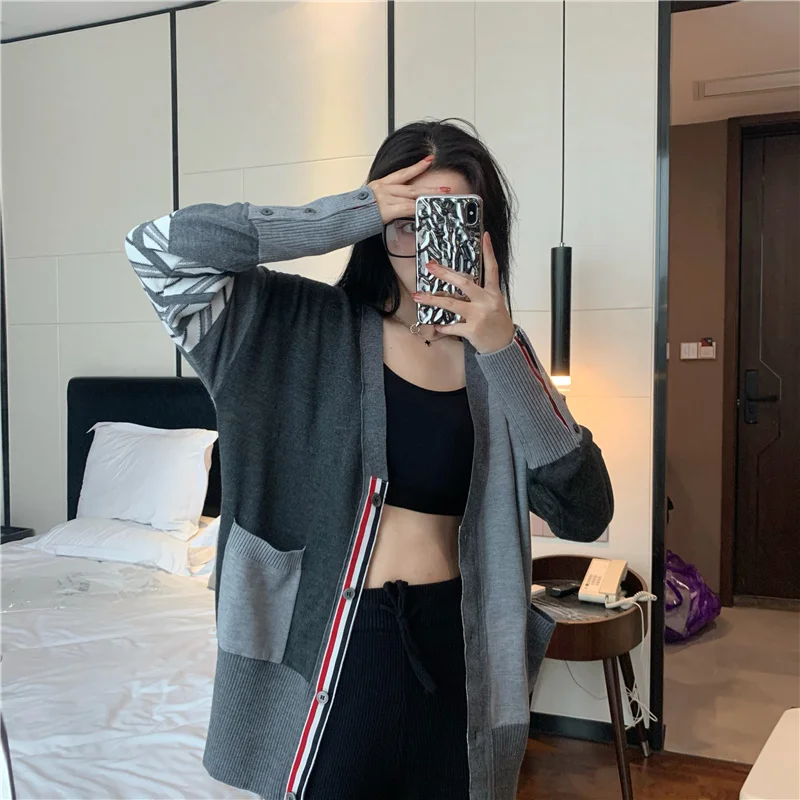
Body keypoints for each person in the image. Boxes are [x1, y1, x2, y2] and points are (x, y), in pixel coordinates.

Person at [125, 119, 613, 800]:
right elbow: (158, 249)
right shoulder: (295, 324)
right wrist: (351, 211)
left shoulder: (499, 354)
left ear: (487, 235)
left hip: (459, 650)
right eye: (406, 220)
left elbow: (586, 511)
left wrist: (502, 349)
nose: (424, 246)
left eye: (451, 220)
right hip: (338, 648)